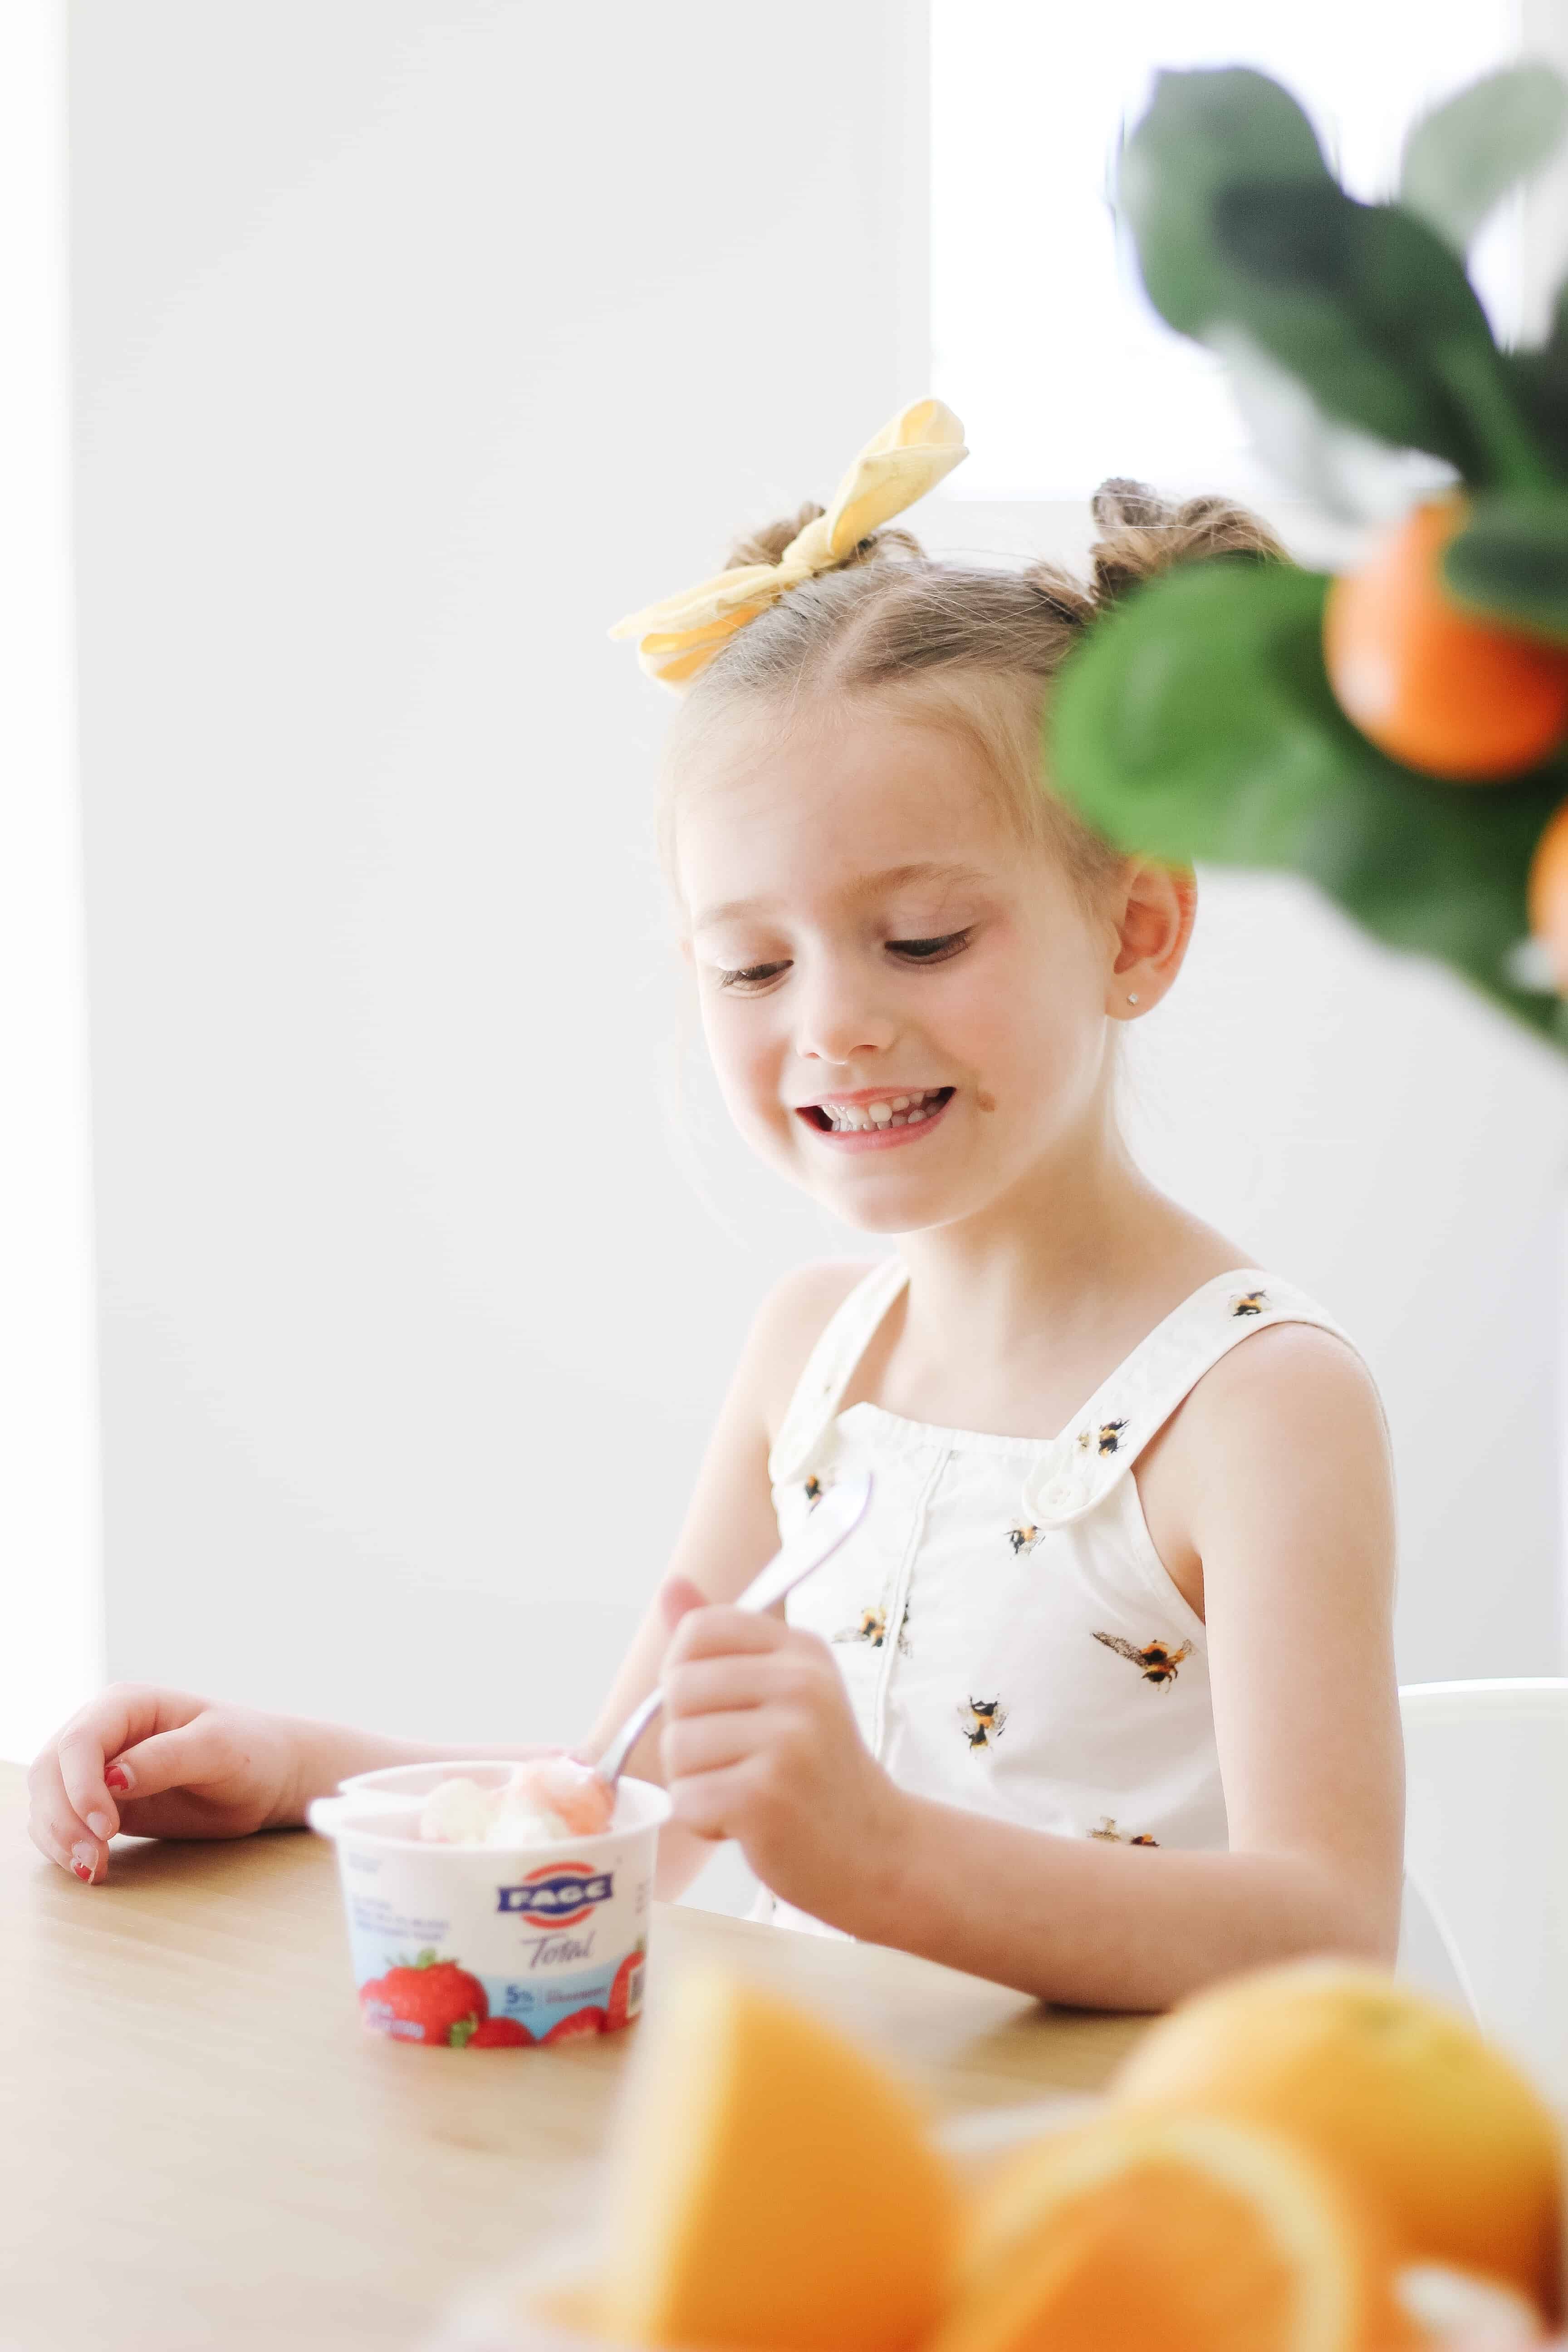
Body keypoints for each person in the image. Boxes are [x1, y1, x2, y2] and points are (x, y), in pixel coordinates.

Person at [26, 402, 1403, 2010]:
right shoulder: (813, 1352)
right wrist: (296, 1777)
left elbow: (1324, 1934)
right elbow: (638, 1811)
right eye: (752, 966)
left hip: (1166, 2190)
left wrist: (881, 1858)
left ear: (1140, 933)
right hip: (873, 2150)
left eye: (924, 939)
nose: (828, 1023)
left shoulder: (1257, 1406)